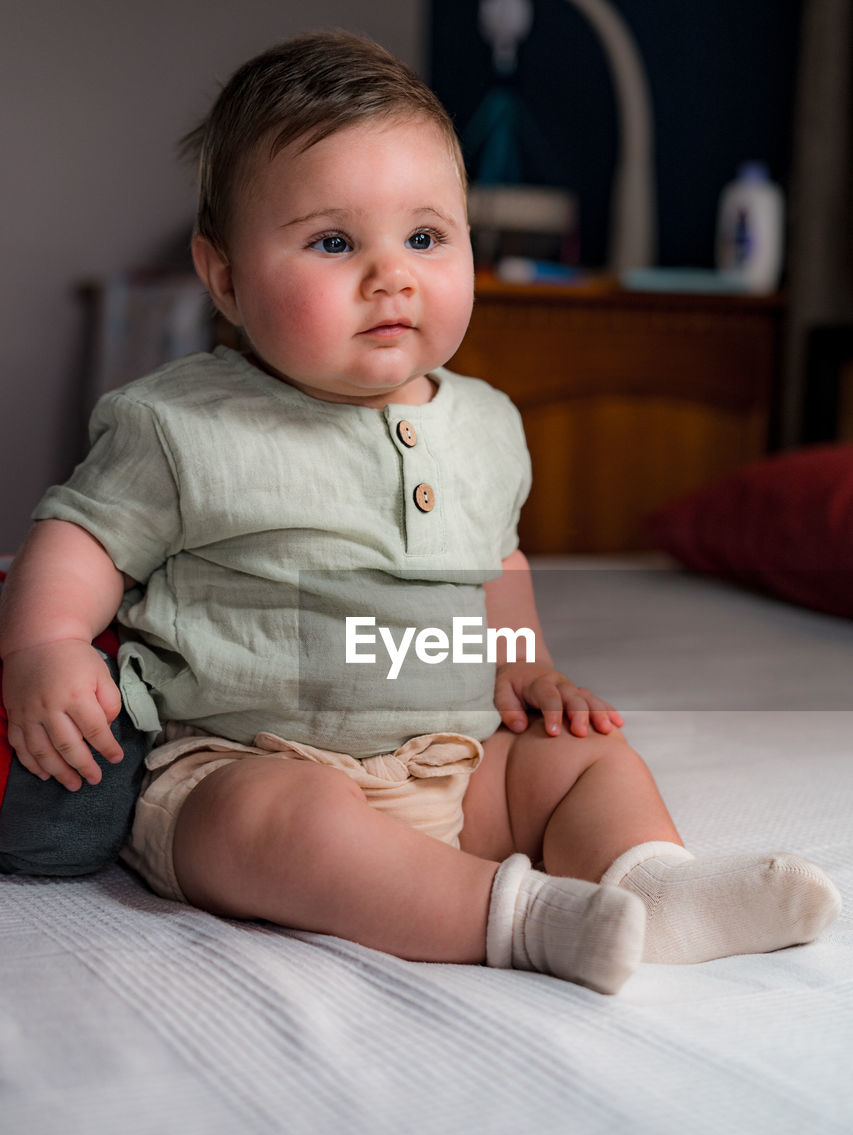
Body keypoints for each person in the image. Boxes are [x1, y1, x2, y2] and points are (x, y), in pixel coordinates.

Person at [0, 32, 840, 995]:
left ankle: (653, 882)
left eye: (426, 237)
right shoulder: (179, 422)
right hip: (245, 755)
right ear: (225, 276)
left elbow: (498, 562)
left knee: (585, 759)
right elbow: (80, 534)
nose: (390, 274)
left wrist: (528, 671)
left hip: (452, 756)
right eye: (332, 242)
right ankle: (522, 918)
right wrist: (48, 645)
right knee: (270, 828)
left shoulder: (486, 423)